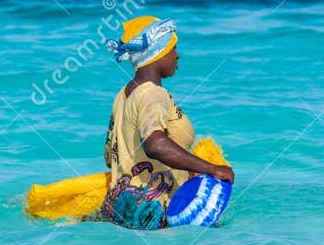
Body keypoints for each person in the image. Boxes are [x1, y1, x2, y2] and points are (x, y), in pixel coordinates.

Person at [100, 15, 233, 229]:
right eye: (172, 49)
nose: (177, 56)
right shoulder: (153, 94)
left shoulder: (123, 95)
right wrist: (210, 168)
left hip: (122, 209)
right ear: (157, 53)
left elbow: (109, 157)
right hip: (155, 214)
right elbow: (155, 144)